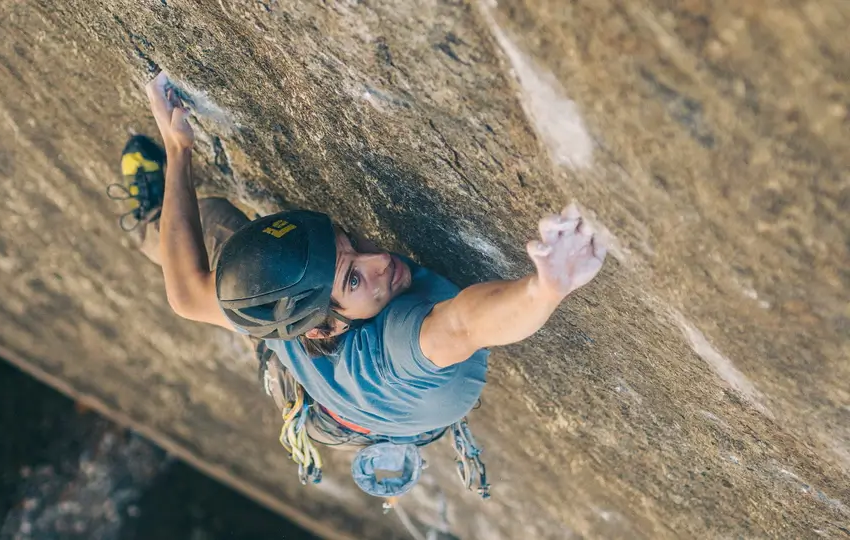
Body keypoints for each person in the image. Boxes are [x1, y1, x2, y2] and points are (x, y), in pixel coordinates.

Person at [125, 71, 607, 496]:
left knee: (216, 229)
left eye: (349, 244)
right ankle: (150, 218)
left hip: (334, 399)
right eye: (354, 277)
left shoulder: (293, 316)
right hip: (349, 403)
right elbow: (465, 324)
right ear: (321, 329)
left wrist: (179, 148)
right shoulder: (396, 348)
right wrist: (546, 288)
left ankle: (152, 219)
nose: (380, 260)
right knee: (228, 252)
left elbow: (186, 294)